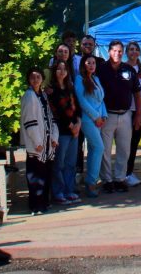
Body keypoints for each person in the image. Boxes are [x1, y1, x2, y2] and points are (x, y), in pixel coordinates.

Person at [97, 39, 141, 194]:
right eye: (114, 51)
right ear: (109, 51)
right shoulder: (101, 69)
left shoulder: (129, 70)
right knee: (105, 150)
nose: (117, 54)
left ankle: (120, 178)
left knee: (124, 149)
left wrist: (137, 115)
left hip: (125, 115)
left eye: (120, 51)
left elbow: (137, 93)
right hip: (107, 115)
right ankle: (107, 180)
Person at [20, 67, 59, 214]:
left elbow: (50, 117)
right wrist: (37, 142)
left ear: (42, 79)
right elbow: (29, 120)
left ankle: (44, 202)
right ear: (29, 80)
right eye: (32, 77)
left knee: (45, 174)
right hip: (37, 144)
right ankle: (36, 204)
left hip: (47, 142)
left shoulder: (42, 95)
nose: (35, 80)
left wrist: (54, 137)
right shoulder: (29, 96)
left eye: (38, 77)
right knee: (35, 175)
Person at [74, 54, 107, 198]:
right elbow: (82, 101)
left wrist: (103, 115)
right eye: (88, 63)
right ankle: (91, 181)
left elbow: (101, 99)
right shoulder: (79, 79)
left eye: (93, 63)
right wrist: (95, 116)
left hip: (99, 119)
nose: (91, 65)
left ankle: (91, 180)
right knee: (99, 147)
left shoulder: (96, 79)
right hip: (88, 119)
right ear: (83, 64)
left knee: (95, 149)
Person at [49, 59, 82, 204]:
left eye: (64, 69)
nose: (62, 72)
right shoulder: (52, 90)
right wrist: (71, 126)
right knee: (59, 163)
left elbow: (77, 107)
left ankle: (69, 190)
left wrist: (78, 123)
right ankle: (58, 192)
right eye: (59, 69)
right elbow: (57, 111)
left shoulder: (70, 87)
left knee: (71, 163)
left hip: (74, 130)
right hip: (62, 130)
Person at [123, 41, 141, 187]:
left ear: (139, 52)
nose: (133, 52)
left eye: (135, 49)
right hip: (127, 110)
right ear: (127, 52)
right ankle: (124, 173)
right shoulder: (123, 68)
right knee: (126, 143)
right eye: (130, 50)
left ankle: (129, 171)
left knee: (134, 143)